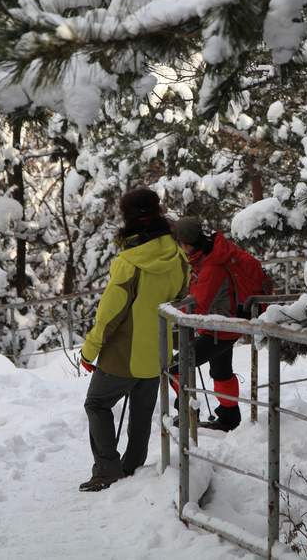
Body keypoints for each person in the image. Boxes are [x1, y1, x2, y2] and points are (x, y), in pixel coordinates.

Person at [77, 187, 189, 492]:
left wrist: (89, 351)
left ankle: (107, 470)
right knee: (141, 411)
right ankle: (133, 466)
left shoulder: (129, 262)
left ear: (126, 218)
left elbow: (109, 315)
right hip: (158, 354)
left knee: (97, 404)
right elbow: (181, 299)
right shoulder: (178, 258)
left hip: (123, 354)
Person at [170, 216, 264, 432]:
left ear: (185, 244)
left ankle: (187, 413)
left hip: (220, 329)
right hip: (225, 325)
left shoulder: (212, 265)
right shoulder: (212, 252)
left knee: (176, 367)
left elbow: (199, 304)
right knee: (221, 372)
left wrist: (176, 308)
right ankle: (229, 420)